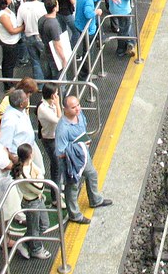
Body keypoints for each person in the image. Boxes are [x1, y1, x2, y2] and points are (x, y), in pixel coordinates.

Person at [56, 95, 112, 223]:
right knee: (73, 186)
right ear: (65, 109)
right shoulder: (63, 128)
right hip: (71, 161)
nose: (77, 109)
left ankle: (95, 199)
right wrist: (79, 147)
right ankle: (74, 215)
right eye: (73, 107)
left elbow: (83, 129)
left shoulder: (79, 116)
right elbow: (60, 152)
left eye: (78, 105)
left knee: (92, 174)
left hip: (83, 156)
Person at [12, 143, 51, 260]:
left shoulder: (28, 165)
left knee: (44, 225)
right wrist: (39, 177)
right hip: (31, 202)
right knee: (35, 228)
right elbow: (39, 187)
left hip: (37, 200)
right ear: (29, 155)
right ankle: (36, 249)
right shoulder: (23, 173)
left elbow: (39, 176)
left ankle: (25, 241)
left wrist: (39, 177)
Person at [37, 84, 62, 186]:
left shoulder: (50, 104)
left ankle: (59, 188)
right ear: (52, 96)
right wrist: (58, 105)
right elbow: (60, 121)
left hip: (56, 137)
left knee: (58, 165)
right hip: (50, 140)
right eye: (56, 94)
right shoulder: (43, 108)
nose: (58, 95)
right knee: (56, 167)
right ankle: (55, 197)